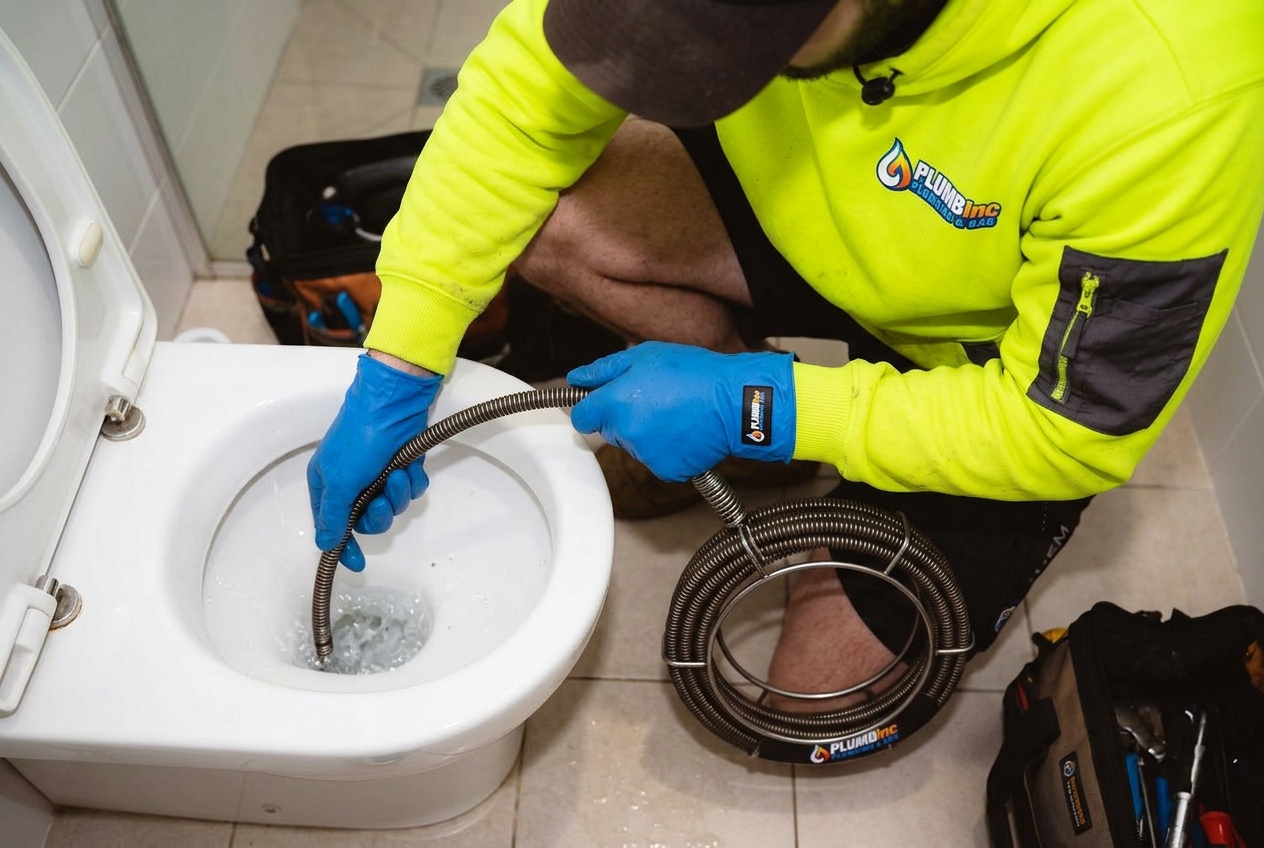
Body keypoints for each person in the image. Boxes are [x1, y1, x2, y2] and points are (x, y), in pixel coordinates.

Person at [307, 0, 1264, 708]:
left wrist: (763, 404)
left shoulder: (1173, 83)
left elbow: (1064, 429)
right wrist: (397, 369)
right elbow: (522, 101)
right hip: (808, 206)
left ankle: (762, 431)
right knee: (546, 216)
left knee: (812, 696)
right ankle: (751, 440)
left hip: (988, 356)